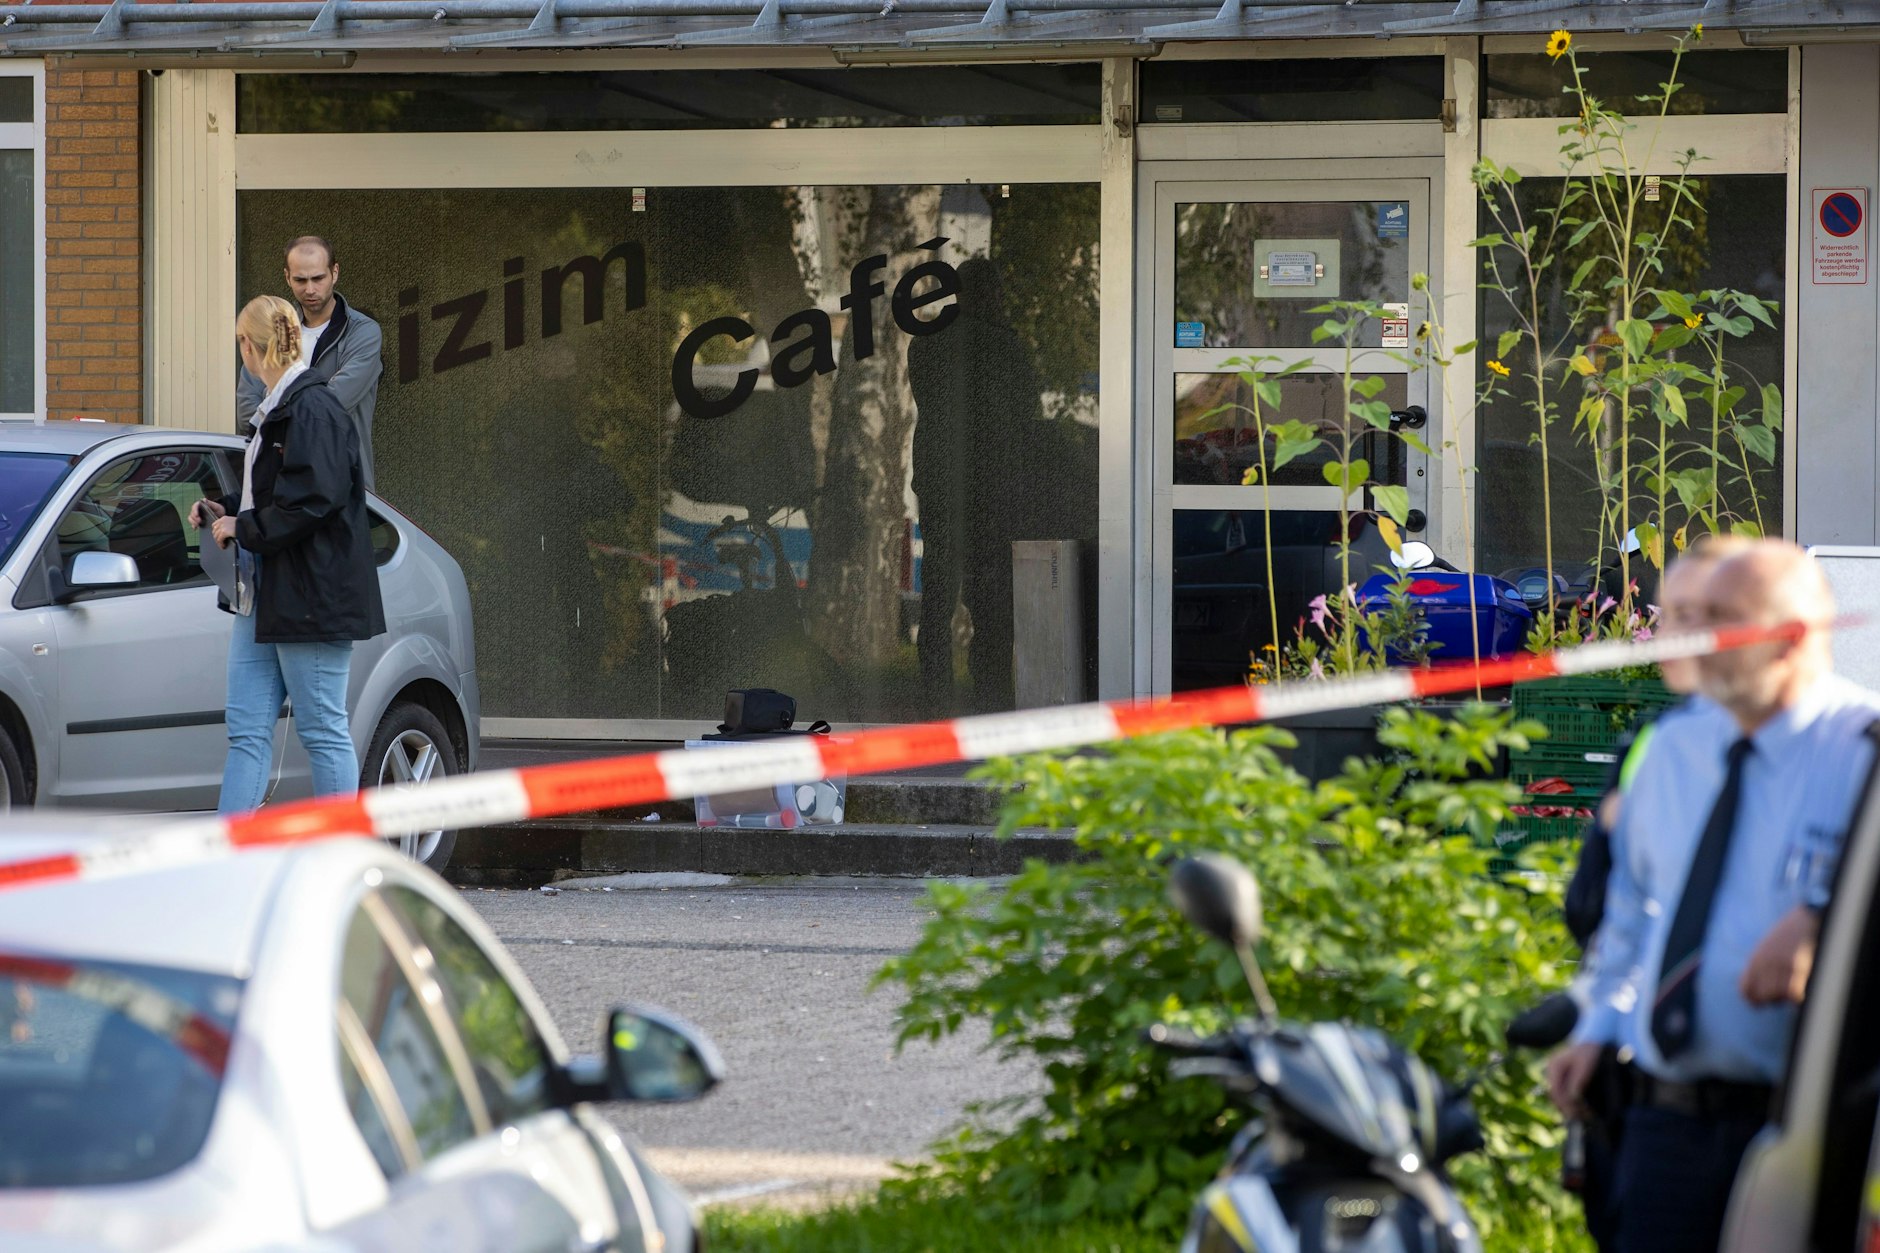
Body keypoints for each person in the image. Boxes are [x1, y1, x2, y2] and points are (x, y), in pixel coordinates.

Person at [1546, 540, 1880, 1253]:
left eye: (1721, 620)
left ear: (1788, 638)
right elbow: (1632, 917)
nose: (1697, 639)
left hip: (1814, 1129)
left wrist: (1827, 922)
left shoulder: (1864, 752)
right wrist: (1598, 1026)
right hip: (1667, 1126)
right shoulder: (1671, 749)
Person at [1550, 534, 1751, 1253]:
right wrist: (1597, 1025)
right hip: (1656, 1103)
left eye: (1700, 613)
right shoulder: (1658, 746)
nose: (1678, 634)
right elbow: (1604, 908)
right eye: (1669, 614)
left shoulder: (1843, 744)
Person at [193, 295, 386, 815]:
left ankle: (342, 859)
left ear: (248, 347)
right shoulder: (283, 406)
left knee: (322, 730)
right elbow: (282, 494)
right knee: (247, 732)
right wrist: (226, 509)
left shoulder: (312, 407)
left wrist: (245, 524)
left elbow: (314, 500)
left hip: (309, 597)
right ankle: (231, 860)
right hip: (267, 593)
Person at [237, 236, 384, 491]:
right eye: (300, 280)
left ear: (334, 273)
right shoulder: (275, 329)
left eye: (318, 278)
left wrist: (272, 406)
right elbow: (247, 409)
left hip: (341, 484)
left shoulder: (362, 332)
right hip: (279, 484)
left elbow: (333, 403)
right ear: (287, 277)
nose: (310, 289)